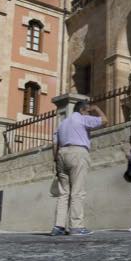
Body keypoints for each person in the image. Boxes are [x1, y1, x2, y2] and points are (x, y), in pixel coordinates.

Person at [50, 100, 108, 236]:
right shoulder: (82, 119)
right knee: (77, 191)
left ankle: (58, 226)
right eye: (88, 110)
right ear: (82, 110)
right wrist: (97, 109)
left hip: (61, 155)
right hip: (78, 153)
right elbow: (105, 121)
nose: (89, 112)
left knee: (63, 193)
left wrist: (55, 160)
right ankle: (76, 226)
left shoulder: (62, 123)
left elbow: (54, 144)